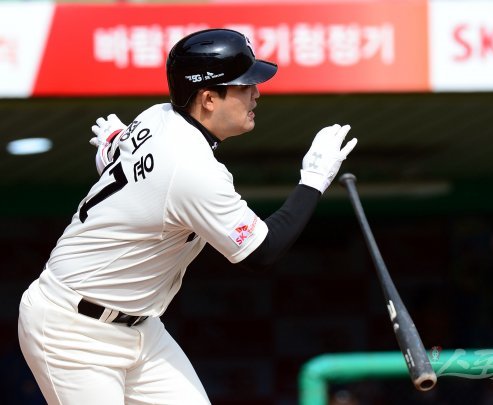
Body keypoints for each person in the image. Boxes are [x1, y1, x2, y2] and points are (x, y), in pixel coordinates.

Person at [17, 28, 357, 405]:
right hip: (72, 329)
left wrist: (115, 148)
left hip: (141, 328)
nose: (256, 93)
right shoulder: (191, 167)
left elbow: (137, 175)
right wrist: (313, 180)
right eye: (244, 85)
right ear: (208, 98)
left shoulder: (158, 116)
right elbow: (263, 251)